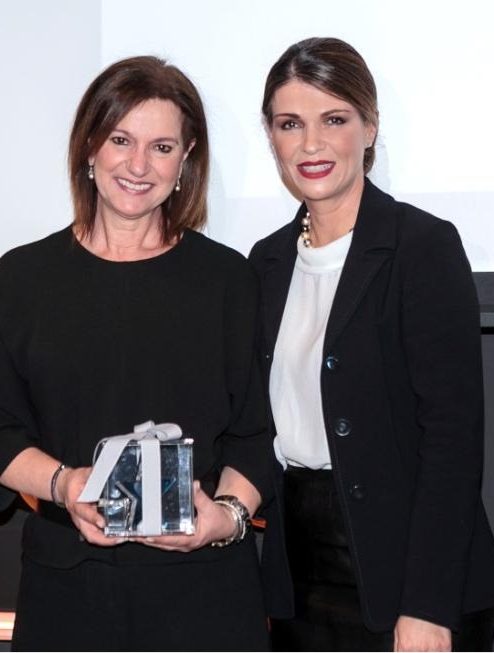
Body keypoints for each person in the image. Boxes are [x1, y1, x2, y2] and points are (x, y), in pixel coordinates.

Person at [0, 55, 270, 652]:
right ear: (89, 146)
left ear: (187, 159)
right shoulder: (20, 280)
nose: (139, 165)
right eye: (121, 139)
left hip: (207, 599)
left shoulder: (228, 280)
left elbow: (255, 435)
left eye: (162, 147)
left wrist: (224, 518)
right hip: (67, 594)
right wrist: (65, 485)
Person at [249, 37, 494, 652]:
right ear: (272, 137)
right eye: (290, 124)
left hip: (406, 573)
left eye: (334, 119)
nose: (311, 143)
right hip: (298, 579)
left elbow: (452, 441)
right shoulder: (266, 262)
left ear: (370, 127)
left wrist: (427, 606)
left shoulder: (422, 247)